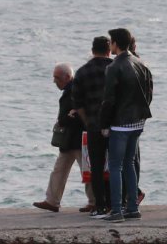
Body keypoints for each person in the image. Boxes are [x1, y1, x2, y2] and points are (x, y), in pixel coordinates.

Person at [98, 28, 152, 223]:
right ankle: (132, 208)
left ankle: (117, 210)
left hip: (120, 123)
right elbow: (149, 92)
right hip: (137, 121)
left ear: (115, 44)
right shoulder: (140, 63)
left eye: (111, 42)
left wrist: (104, 124)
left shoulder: (113, 67)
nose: (110, 45)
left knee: (115, 166)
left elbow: (109, 100)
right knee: (129, 163)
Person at [35, 63, 83, 213]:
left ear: (67, 77)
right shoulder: (71, 89)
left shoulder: (75, 90)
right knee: (59, 170)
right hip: (70, 139)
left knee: (86, 171)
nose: (54, 81)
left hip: (77, 138)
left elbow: (78, 113)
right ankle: (52, 201)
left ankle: (94, 201)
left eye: (57, 78)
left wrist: (64, 119)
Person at [74, 37, 113, 217]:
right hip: (115, 125)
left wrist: (87, 121)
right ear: (109, 50)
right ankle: (116, 203)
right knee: (116, 165)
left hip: (93, 125)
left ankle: (100, 205)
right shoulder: (115, 68)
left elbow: (78, 103)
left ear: (92, 50)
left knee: (96, 167)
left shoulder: (82, 72)